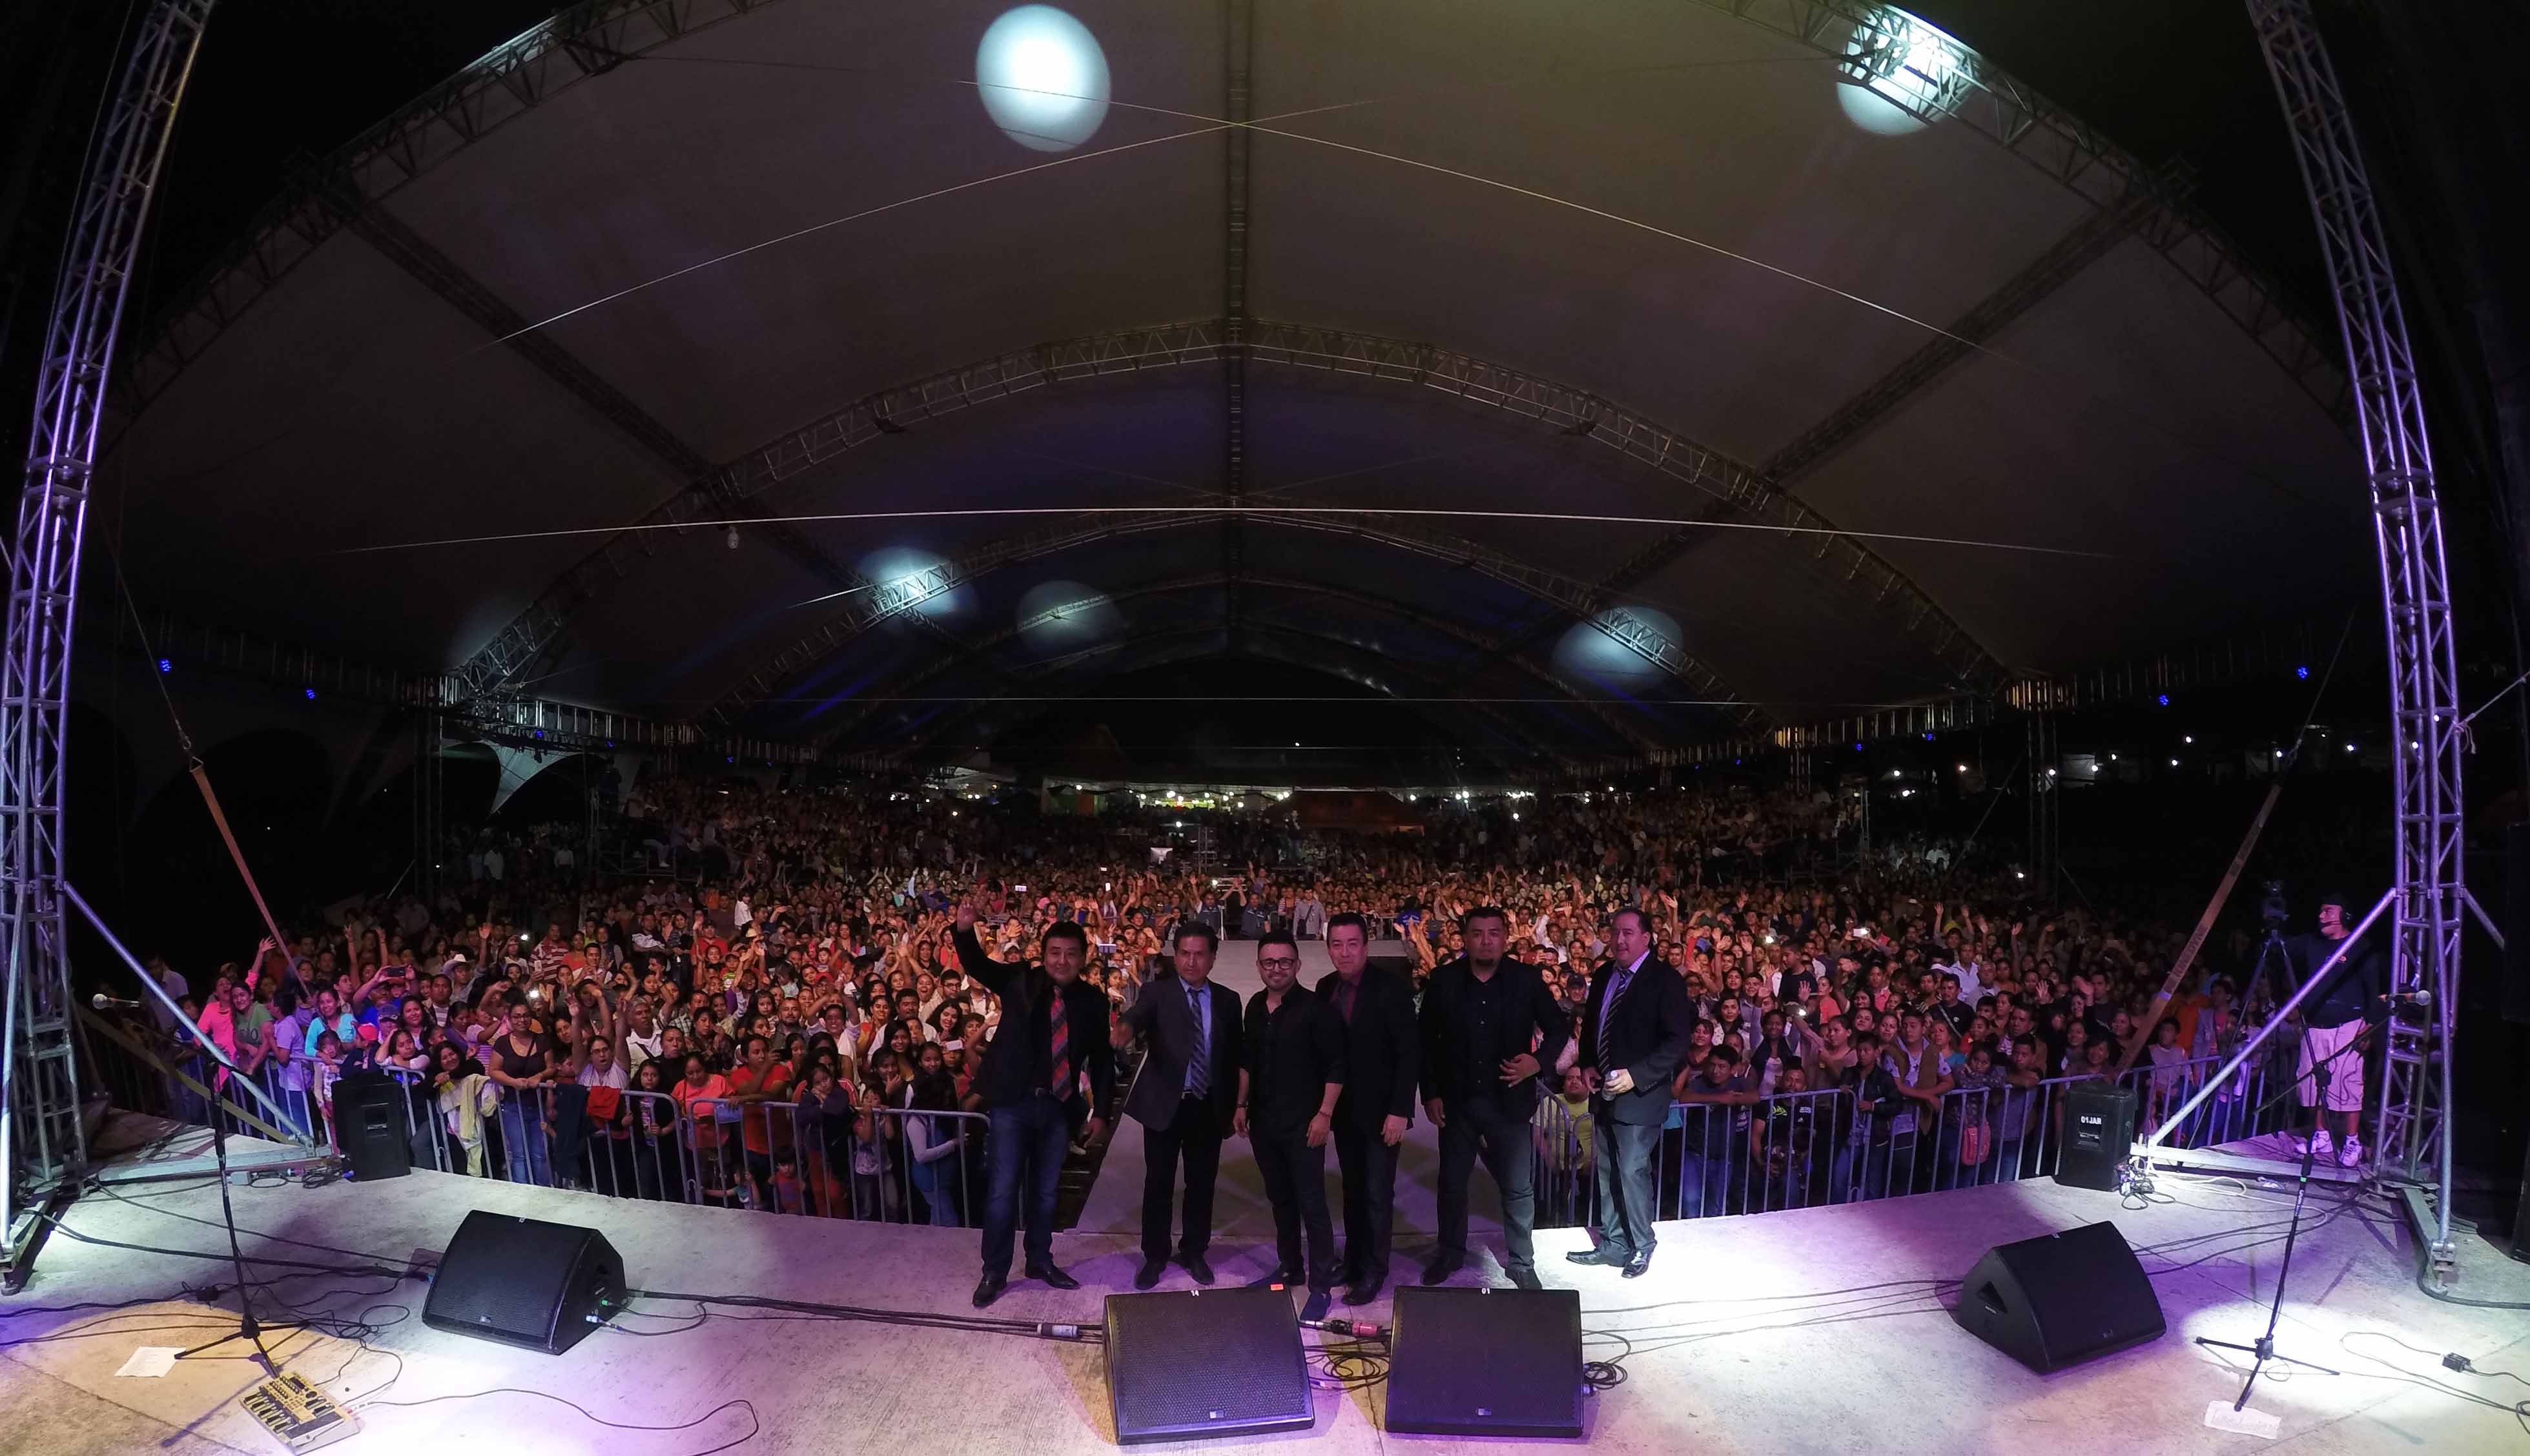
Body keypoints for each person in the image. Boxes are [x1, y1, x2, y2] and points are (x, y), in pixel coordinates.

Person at [955, 901, 1115, 1307]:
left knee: (1046, 1193)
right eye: (1054, 953)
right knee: (1003, 1191)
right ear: (1043, 955)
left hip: (1060, 1107)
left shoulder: (1094, 1002)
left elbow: (1102, 1060)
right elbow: (975, 963)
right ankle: (994, 1270)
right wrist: (963, 928)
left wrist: (1104, 1113)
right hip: (1013, 1103)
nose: (1062, 961)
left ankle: (1040, 1260)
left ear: (1084, 956)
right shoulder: (1019, 980)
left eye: (1071, 953)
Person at [1418, 905, 1568, 1289]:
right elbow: (1425, 1043)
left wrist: (1537, 1063)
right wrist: (1430, 1093)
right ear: (1464, 938)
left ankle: (1521, 1261)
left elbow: (1558, 1030)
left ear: (1505, 936)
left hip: (1510, 1103)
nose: (1486, 940)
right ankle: (1450, 1253)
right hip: (1457, 1104)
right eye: (1477, 933)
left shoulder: (1526, 980)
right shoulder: (1443, 980)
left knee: (1518, 1187)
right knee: (1452, 1183)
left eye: (1494, 933)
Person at [1113, 922, 1242, 1289]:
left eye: (1200, 953)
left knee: (1202, 1184)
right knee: (1158, 1184)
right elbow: (1135, 1017)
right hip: (1165, 1106)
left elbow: (1233, 1057)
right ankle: (1155, 1255)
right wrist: (1124, 1026)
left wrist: (1237, 1105)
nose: (1191, 961)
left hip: (1207, 1105)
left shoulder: (1228, 1000)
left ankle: (1194, 1251)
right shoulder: (1157, 993)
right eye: (1184, 953)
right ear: (1175, 956)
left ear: (1213, 957)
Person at [1567, 907, 1691, 1278]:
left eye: (1628, 933)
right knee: (1606, 1169)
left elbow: (1676, 1042)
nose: (1619, 940)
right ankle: (1614, 1244)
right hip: (1602, 1091)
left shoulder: (1665, 980)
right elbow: (1592, 1029)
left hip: (1640, 1095)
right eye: (1615, 932)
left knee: (1633, 1170)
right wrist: (1588, 1063)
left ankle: (1642, 1245)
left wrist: (1636, 1076)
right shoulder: (1604, 974)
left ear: (1646, 938)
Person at [1236, 932, 1346, 1322]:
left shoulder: (1317, 1010)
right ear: (1259, 966)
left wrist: (1324, 1115)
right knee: (1280, 1199)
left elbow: (1336, 1067)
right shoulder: (1254, 1007)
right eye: (1269, 962)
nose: (1276, 969)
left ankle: (1321, 1285)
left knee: (1312, 1205)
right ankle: (1289, 1268)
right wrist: (1241, 1104)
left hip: (1305, 1124)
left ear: (1297, 965)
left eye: (1284, 962)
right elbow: (1247, 1060)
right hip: (1265, 1122)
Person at [1314, 912, 1417, 1306]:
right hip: (1343, 1113)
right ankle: (1354, 1261)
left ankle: (1375, 1269)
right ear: (1329, 948)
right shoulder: (1325, 988)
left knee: (1377, 1193)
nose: (1345, 952)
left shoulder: (1391, 989)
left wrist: (1400, 1111)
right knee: (1352, 1191)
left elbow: (1409, 1054)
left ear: (1366, 945)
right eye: (1337, 945)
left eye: (1352, 944)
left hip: (1382, 1114)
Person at [2288, 891, 2386, 1169]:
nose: (2321, 916)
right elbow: (2281, 950)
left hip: (2349, 1025)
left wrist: (2368, 1026)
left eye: (2328, 911)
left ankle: (2352, 1140)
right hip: (2315, 1025)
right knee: (2312, 1083)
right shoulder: (2311, 944)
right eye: (2321, 911)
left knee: (2348, 1084)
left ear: (2344, 915)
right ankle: (2322, 1136)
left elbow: (2374, 993)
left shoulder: (2360, 947)